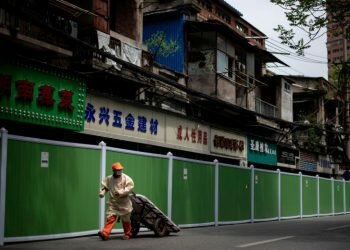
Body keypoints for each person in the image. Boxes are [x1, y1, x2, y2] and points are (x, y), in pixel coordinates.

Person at [98, 162, 134, 240]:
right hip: (114, 202)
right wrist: (102, 193)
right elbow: (105, 187)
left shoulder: (126, 178)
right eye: (117, 170)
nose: (119, 171)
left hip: (124, 202)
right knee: (110, 217)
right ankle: (105, 233)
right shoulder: (109, 179)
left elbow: (130, 187)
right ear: (113, 170)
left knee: (126, 219)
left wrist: (121, 192)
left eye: (120, 169)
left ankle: (128, 233)